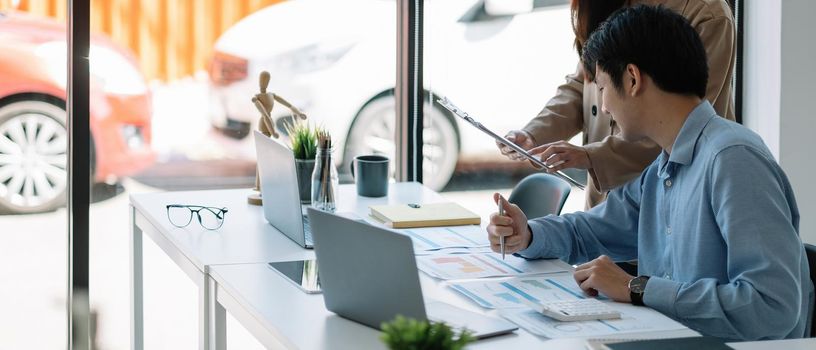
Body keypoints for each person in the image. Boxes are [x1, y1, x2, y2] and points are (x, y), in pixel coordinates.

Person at [487, 5, 813, 340]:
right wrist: (527, 235)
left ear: (632, 79)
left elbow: (773, 306)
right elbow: (593, 230)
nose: (606, 106)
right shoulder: (664, 168)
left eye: (602, 88)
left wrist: (637, 288)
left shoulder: (732, 160)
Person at [498, 0, 736, 209]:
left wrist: (592, 156)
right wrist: (534, 133)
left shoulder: (708, 15)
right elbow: (583, 84)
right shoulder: (611, 6)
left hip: (668, 197)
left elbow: (682, 121)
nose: (604, 106)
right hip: (605, 202)